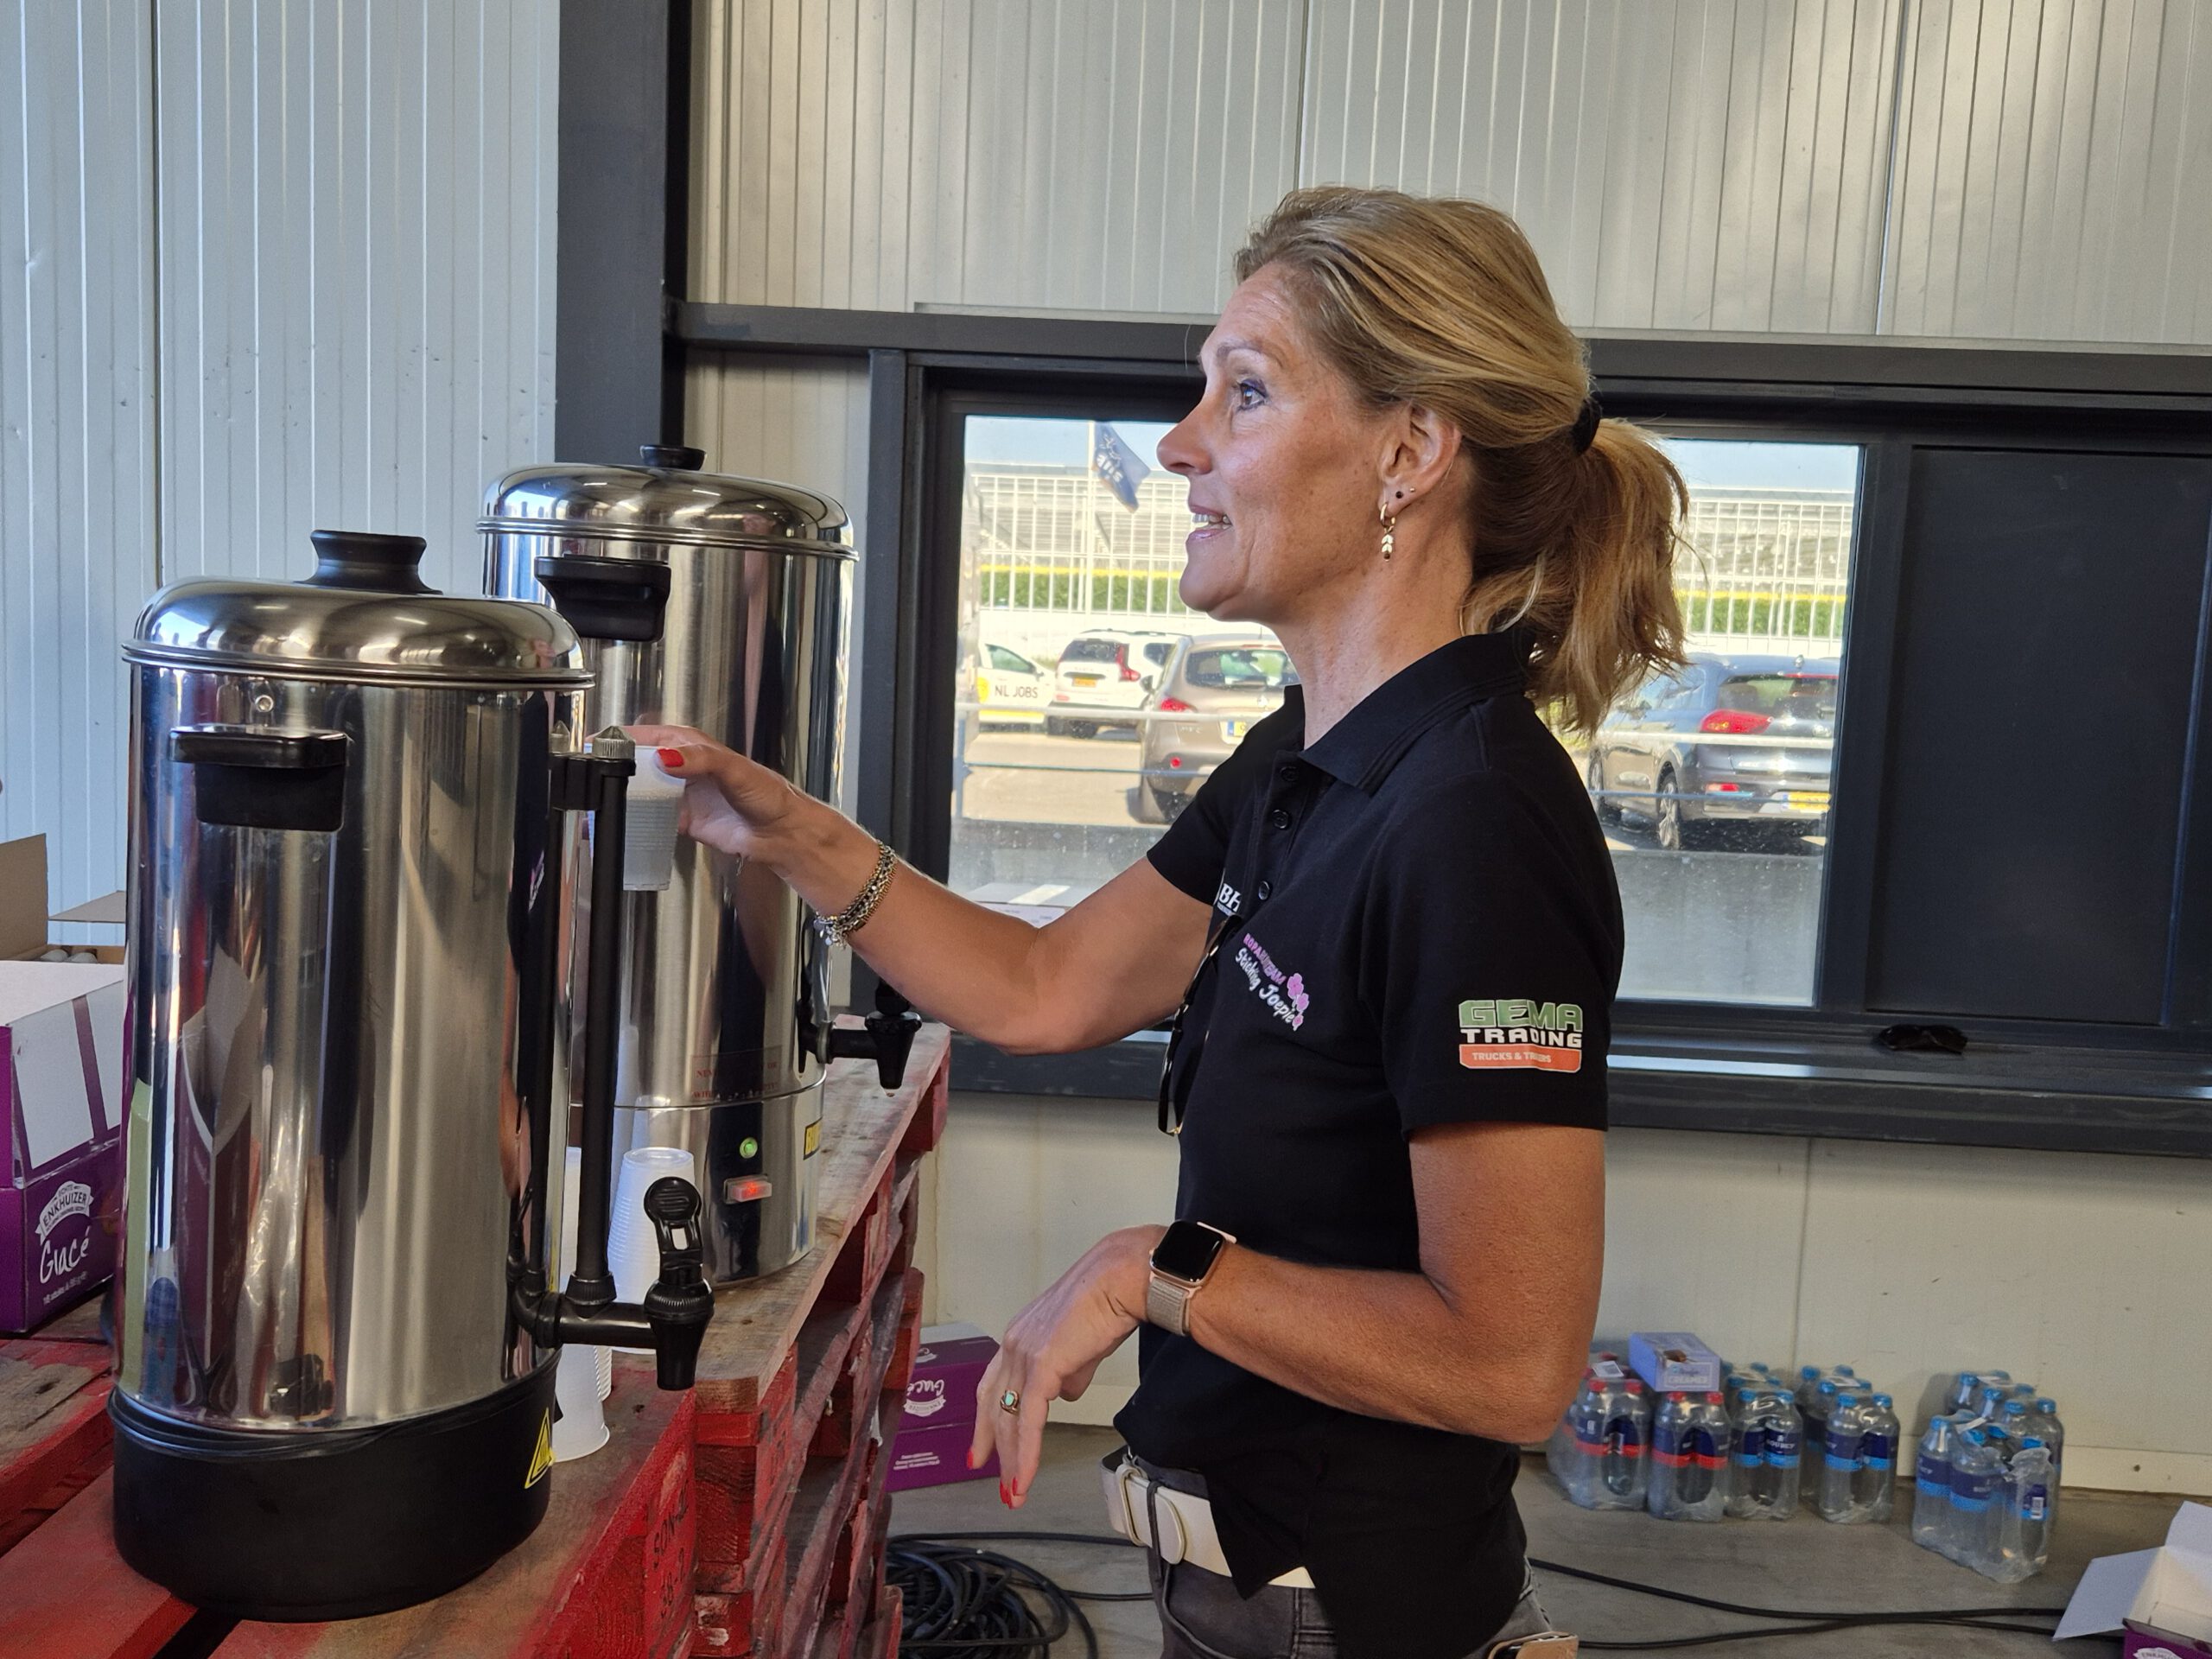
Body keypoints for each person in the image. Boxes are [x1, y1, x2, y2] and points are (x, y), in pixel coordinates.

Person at [638, 185, 1688, 1659]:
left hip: (1351, 1612)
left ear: (1409, 452)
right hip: (1238, 1587)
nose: (1182, 445)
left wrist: (1155, 1268)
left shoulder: (1476, 821)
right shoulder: (1304, 763)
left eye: (1243, 392)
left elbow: (1513, 1364)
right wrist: (793, 836)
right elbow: (1047, 984)